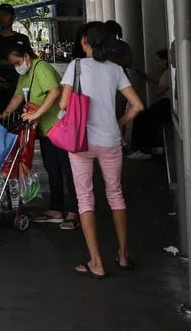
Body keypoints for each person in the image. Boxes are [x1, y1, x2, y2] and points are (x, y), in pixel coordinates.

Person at [59, 21, 145, 278]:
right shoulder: (116, 69)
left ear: (84, 41)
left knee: (85, 198)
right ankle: (122, 255)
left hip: (81, 140)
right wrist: (119, 123)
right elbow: (138, 105)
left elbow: (64, 103)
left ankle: (96, 262)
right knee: (115, 194)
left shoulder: (75, 67)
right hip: (110, 140)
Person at [0, 45, 77, 230]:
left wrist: (36, 113)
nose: (17, 66)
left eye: (17, 62)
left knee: (68, 170)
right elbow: (17, 96)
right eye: (13, 64)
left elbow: (55, 92)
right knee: (52, 169)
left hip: (60, 128)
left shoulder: (41, 68)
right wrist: (3, 115)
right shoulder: (25, 73)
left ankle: (74, 210)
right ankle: (56, 209)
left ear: (26, 56)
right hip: (46, 131)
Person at [127, 49, 172, 159]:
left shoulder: (167, 73)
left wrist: (151, 84)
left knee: (141, 116)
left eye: (158, 60)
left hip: (167, 104)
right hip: (168, 104)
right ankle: (151, 148)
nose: (157, 63)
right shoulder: (167, 73)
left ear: (165, 60)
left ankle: (141, 149)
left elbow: (158, 92)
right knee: (147, 116)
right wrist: (148, 79)